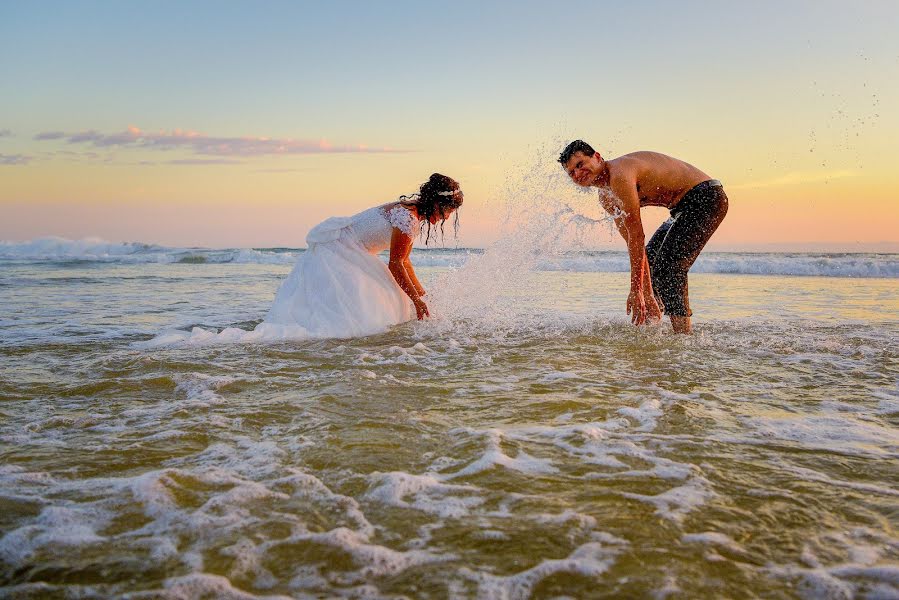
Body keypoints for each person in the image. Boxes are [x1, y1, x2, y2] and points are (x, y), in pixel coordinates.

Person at [258, 173, 463, 339]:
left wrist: (422, 295)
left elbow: (405, 262)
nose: (447, 216)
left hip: (350, 250)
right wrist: (417, 301)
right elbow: (395, 264)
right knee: (353, 312)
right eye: (448, 211)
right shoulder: (407, 218)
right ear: (436, 203)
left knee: (383, 301)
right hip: (339, 250)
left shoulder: (410, 214)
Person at [559, 140, 728, 334]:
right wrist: (646, 292)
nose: (578, 174)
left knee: (669, 266)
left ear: (596, 157)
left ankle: (683, 338)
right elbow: (633, 243)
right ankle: (656, 326)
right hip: (680, 210)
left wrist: (637, 290)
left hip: (706, 197)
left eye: (580, 164)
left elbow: (637, 235)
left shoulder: (620, 174)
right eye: (572, 172)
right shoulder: (606, 198)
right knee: (651, 258)